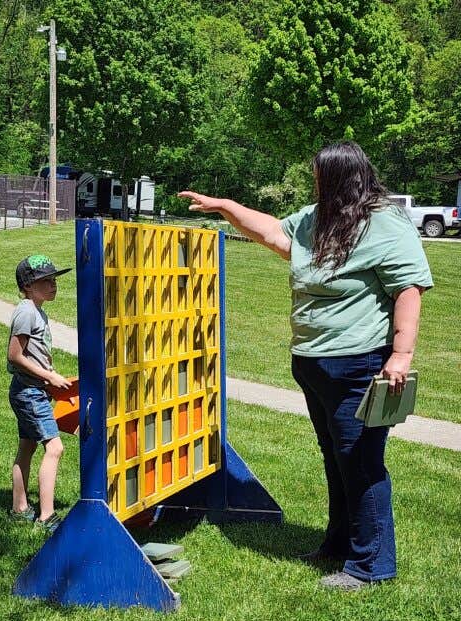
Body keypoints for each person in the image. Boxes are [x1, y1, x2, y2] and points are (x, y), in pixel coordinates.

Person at [179, 140, 433, 590]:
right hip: (314, 364)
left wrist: (400, 355)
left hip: (360, 365)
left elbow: (408, 289)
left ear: (340, 178)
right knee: (337, 460)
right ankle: (338, 544)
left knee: (361, 462)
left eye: (319, 175)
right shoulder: (319, 219)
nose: (313, 182)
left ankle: (371, 566)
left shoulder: (385, 224)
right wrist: (224, 206)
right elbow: (275, 232)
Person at [7, 254, 72, 531]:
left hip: (33, 389)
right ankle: (46, 517)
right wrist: (48, 376)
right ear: (28, 286)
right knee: (54, 448)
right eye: (45, 280)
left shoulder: (37, 311)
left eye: (54, 279)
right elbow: (14, 355)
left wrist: (50, 379)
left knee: (27, 446)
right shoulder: (26, 312)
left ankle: (19, 508)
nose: (53, 284)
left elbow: (36, 354)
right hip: (29, 393)